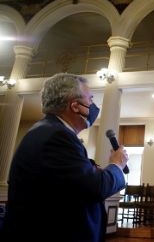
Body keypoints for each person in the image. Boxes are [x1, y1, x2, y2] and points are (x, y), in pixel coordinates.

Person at [0, 73, 128, 242]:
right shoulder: (56, 136)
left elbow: (71, 184)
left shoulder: (50, 131)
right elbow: (94, 188)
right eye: (90, 99)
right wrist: (117, 164)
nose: (93, 105)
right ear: (75, 106)